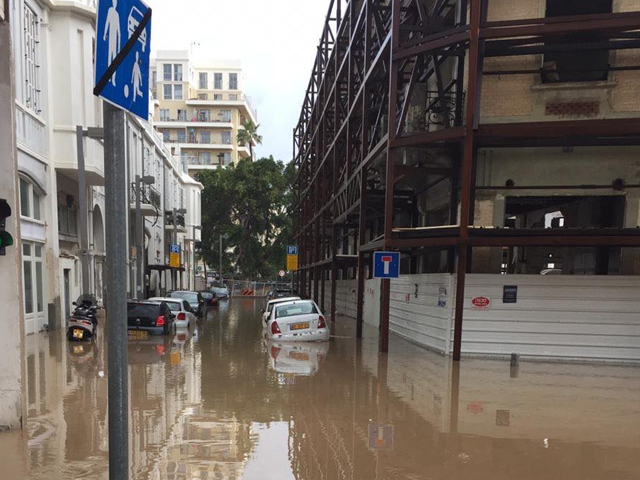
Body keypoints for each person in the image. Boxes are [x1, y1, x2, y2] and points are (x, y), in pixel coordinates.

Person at [103, 0, 121, 87]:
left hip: (115, 39)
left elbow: (118, 29)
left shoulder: (117, 14)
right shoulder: (110, 10)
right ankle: (108, 77)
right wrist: (104, 34)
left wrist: (120, 40)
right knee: (109, 58)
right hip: (110, 38)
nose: (115, 4)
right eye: (114, 2)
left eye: (116, 2)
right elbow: (107, 22)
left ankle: (113, 78)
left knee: (115, 59)